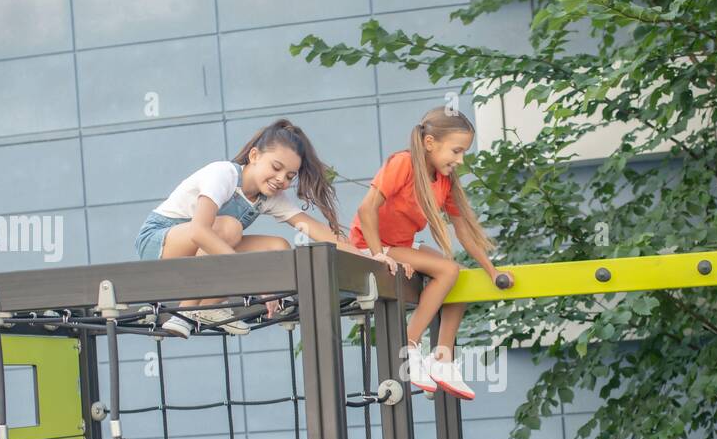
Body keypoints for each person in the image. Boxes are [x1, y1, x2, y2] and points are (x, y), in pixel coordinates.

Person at [136, 119, 363, 336]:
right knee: (230, 228)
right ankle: (183, 313)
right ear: (254, 156)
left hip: (199, 255)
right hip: (162, 241)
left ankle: (206, 306)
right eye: (276, 167)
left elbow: (316, 230)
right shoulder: (224, 174)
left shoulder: (269, 197)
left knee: (277, 247)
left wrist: (368, 257)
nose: (280, 179)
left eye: (289, 176)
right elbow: (198, 231)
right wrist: (254, 282)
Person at [350, 107, 510, 398]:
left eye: (464, 153)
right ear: (430, 143)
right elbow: (366, 209)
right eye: (456, 151)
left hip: (401, 246)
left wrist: (491, 270)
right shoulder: (403, 164)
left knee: (459, 276)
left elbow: (464, 231)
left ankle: (442, 359)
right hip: (371, 245)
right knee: (447, 270)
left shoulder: (443, 180)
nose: (460, 160)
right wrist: (377, 254)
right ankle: (409, 346)